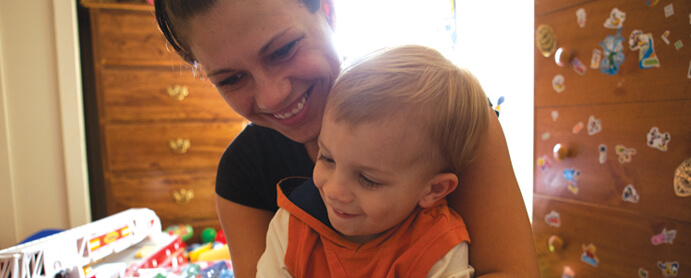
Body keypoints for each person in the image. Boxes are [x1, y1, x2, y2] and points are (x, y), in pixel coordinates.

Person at [154, 0, 539, 277]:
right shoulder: (243, 174)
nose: (272, 96)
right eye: (231, 79)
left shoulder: (451, 122)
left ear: (328, 10)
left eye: (283, 50)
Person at [256, 45, 486, 277]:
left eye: (368, 179)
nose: (334, 190)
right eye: (327, 158)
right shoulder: (292, 226)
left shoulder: (438, 245)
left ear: (434, 189)